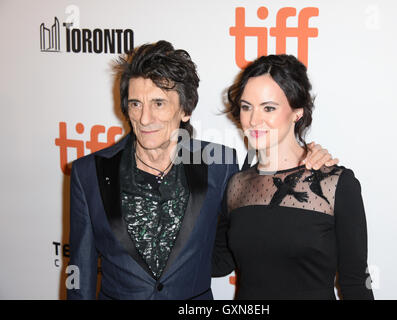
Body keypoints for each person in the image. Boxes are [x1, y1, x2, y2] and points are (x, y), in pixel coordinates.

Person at [67, 40, 337, 300]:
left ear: (185, 110)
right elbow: (81, 273)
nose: (144, 118)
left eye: (158, 103)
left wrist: (308, 157)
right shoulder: (88, 172)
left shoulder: (220, 164)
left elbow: (261, 223)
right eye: (136, 104)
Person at [212, 54, 374, 300]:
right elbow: (219, 262)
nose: (254, 120)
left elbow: (355, 285)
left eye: (269, 108)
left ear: (297, 112)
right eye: (247, 107)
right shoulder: (236, 185)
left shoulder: (336, 184)